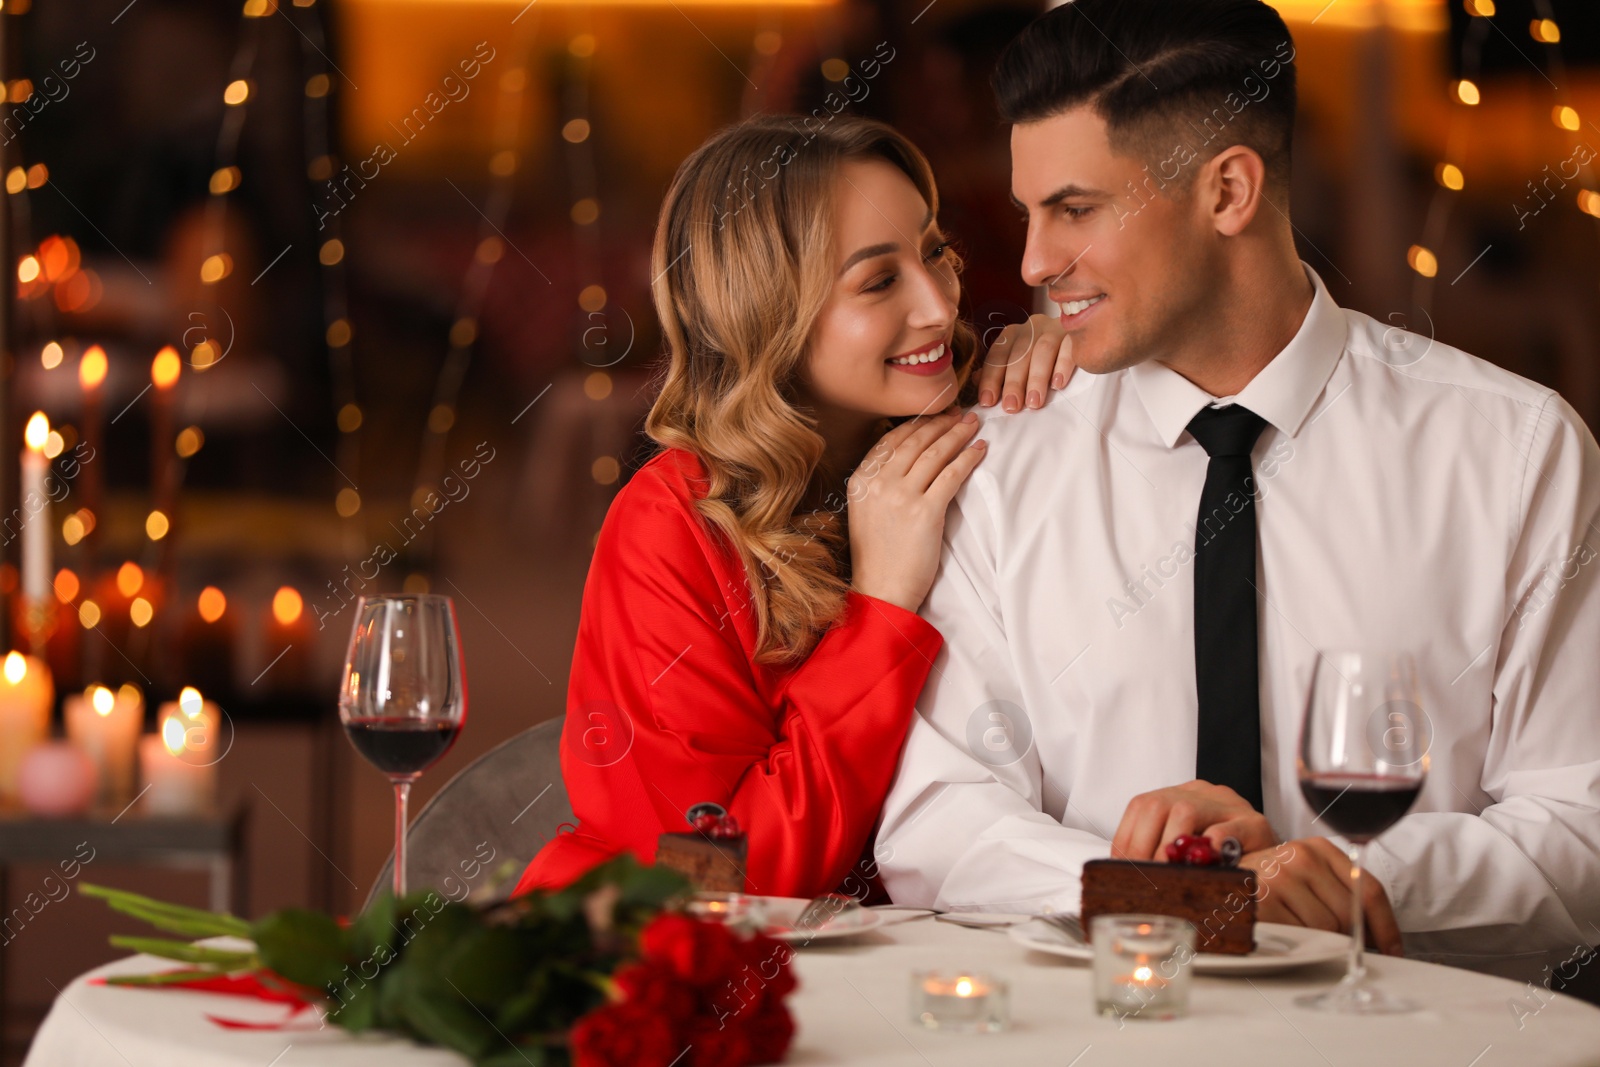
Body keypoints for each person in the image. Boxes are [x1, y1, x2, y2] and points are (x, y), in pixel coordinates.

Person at [877, 0, 1600, 982]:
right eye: (1028, 213)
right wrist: (1163, 894)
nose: (1035, 262)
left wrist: (1359, 877)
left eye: (1075, 209)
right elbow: (939, 818)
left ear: (1227, 191)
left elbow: (1581, 823)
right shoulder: (1001, 463)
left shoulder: (1513, 451)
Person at [513, 114, 1073, 899]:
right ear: (765, 311)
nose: (940, 306)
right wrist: (879, 607)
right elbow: (724, 879)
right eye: (879, 281)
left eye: (935, 252)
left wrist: (1064, 358)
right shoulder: (672, 526)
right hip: (678, 977)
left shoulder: (980, 435)